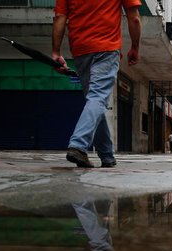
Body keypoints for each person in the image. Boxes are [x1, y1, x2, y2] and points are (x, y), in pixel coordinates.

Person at [52, 0, 142, 169]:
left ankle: (107, 155)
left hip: (80, 49)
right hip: (107, 48)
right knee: (97, 98)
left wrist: (56, 52)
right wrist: (135, 48)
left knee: (94, 100)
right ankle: (78, 145)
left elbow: (59, 17)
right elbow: (134, 18)